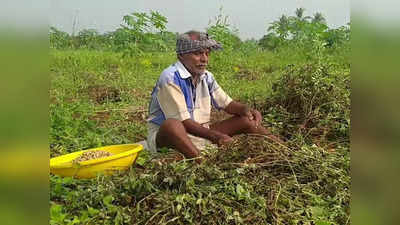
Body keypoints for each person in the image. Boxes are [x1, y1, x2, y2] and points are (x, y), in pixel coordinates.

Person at [146, 30, 280, 162]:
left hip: (199, 132)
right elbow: (184, 122)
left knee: (246, 120)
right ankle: (201, 162)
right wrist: (216, 136)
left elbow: (227, 104)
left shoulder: (206, 76)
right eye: (198, 53)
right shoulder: (170, 78)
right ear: (181, 55)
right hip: (170, 138)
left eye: (207, 53)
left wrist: (246, 110)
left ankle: (283, 149)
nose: (204, 59)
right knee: (172, 125)